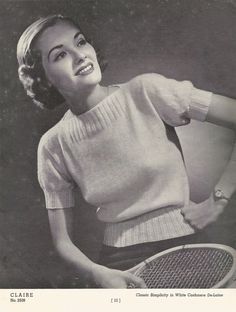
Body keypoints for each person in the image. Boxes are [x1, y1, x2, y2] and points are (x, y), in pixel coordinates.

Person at [17, 14, 236, 288]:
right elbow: (62, 243)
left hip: (192, 252)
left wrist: (219, 199)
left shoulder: (146, 91)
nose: (80, 56)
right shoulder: (53, 144)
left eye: (81, 42)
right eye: (60, 55)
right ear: (44, 79)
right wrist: (96, 272)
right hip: (118, 268)